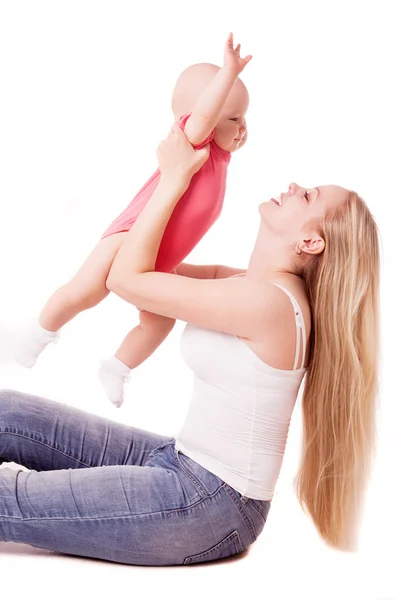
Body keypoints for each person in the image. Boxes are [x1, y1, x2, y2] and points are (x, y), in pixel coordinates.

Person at [0, 123, 380, 564]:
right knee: (8, 413)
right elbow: (153, 267)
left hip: (210, 504)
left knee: (9, 499)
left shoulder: (267, 303)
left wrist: (174, 178)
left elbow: (129, 280)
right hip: (179, 461)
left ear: (310, 241)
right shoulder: (248, 283)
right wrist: (206, 161)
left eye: (308, 196)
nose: (295, 187)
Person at [14, 33, 251, 409]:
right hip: (131, 236)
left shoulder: (220, 160)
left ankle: (117, 367)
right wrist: (228, 73)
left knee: (159, 322)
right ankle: (39, 331)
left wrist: (231, 98)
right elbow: (206, 112)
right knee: (85, 291)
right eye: (234, 117)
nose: (243, 127)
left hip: (160, 260)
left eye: (246, 118)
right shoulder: (193, 142)